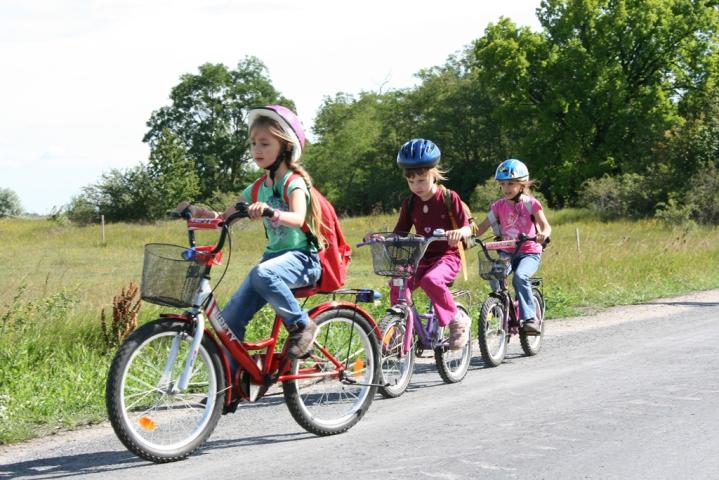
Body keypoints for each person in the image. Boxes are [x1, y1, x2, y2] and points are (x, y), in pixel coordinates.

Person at [178, 105, 322, 359]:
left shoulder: (293, 182)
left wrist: (271, 211)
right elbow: (225, 218)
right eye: (254, 143)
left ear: (285, 147)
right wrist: (202, 213)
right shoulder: (256, 189)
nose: (257, 149)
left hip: (303, 259)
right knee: (230, 319)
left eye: (265, 143)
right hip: (273, 262)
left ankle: (302, 324)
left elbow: (298, 217)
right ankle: (230, 393)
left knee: (262, 273)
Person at [390, 138, 472, 349]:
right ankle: (401, 327)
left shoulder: (448, 197)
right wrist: (383, 238)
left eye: (421, 180)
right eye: (411, 181)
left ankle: (456, 320)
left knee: (431, 281)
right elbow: (400, 232)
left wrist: (458, 233)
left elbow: (467, 228)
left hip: (448, 256)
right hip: (423, 256)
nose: (416, 186)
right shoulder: (410, 203)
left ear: (434, 174)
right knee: (397, 282)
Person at [474, 158, 552, 333]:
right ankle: (503, 311)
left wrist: (543, 235)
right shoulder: (498, 207)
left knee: (520, 277)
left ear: (522, 185)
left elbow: (546, 226)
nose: (506, 188)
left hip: (529, 252)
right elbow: (482, 227)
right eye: (503, 184)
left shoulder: (531, 204)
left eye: (511, 183)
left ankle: (530, 318)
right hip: (507, 252)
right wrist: (468, 237)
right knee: (493, 274)